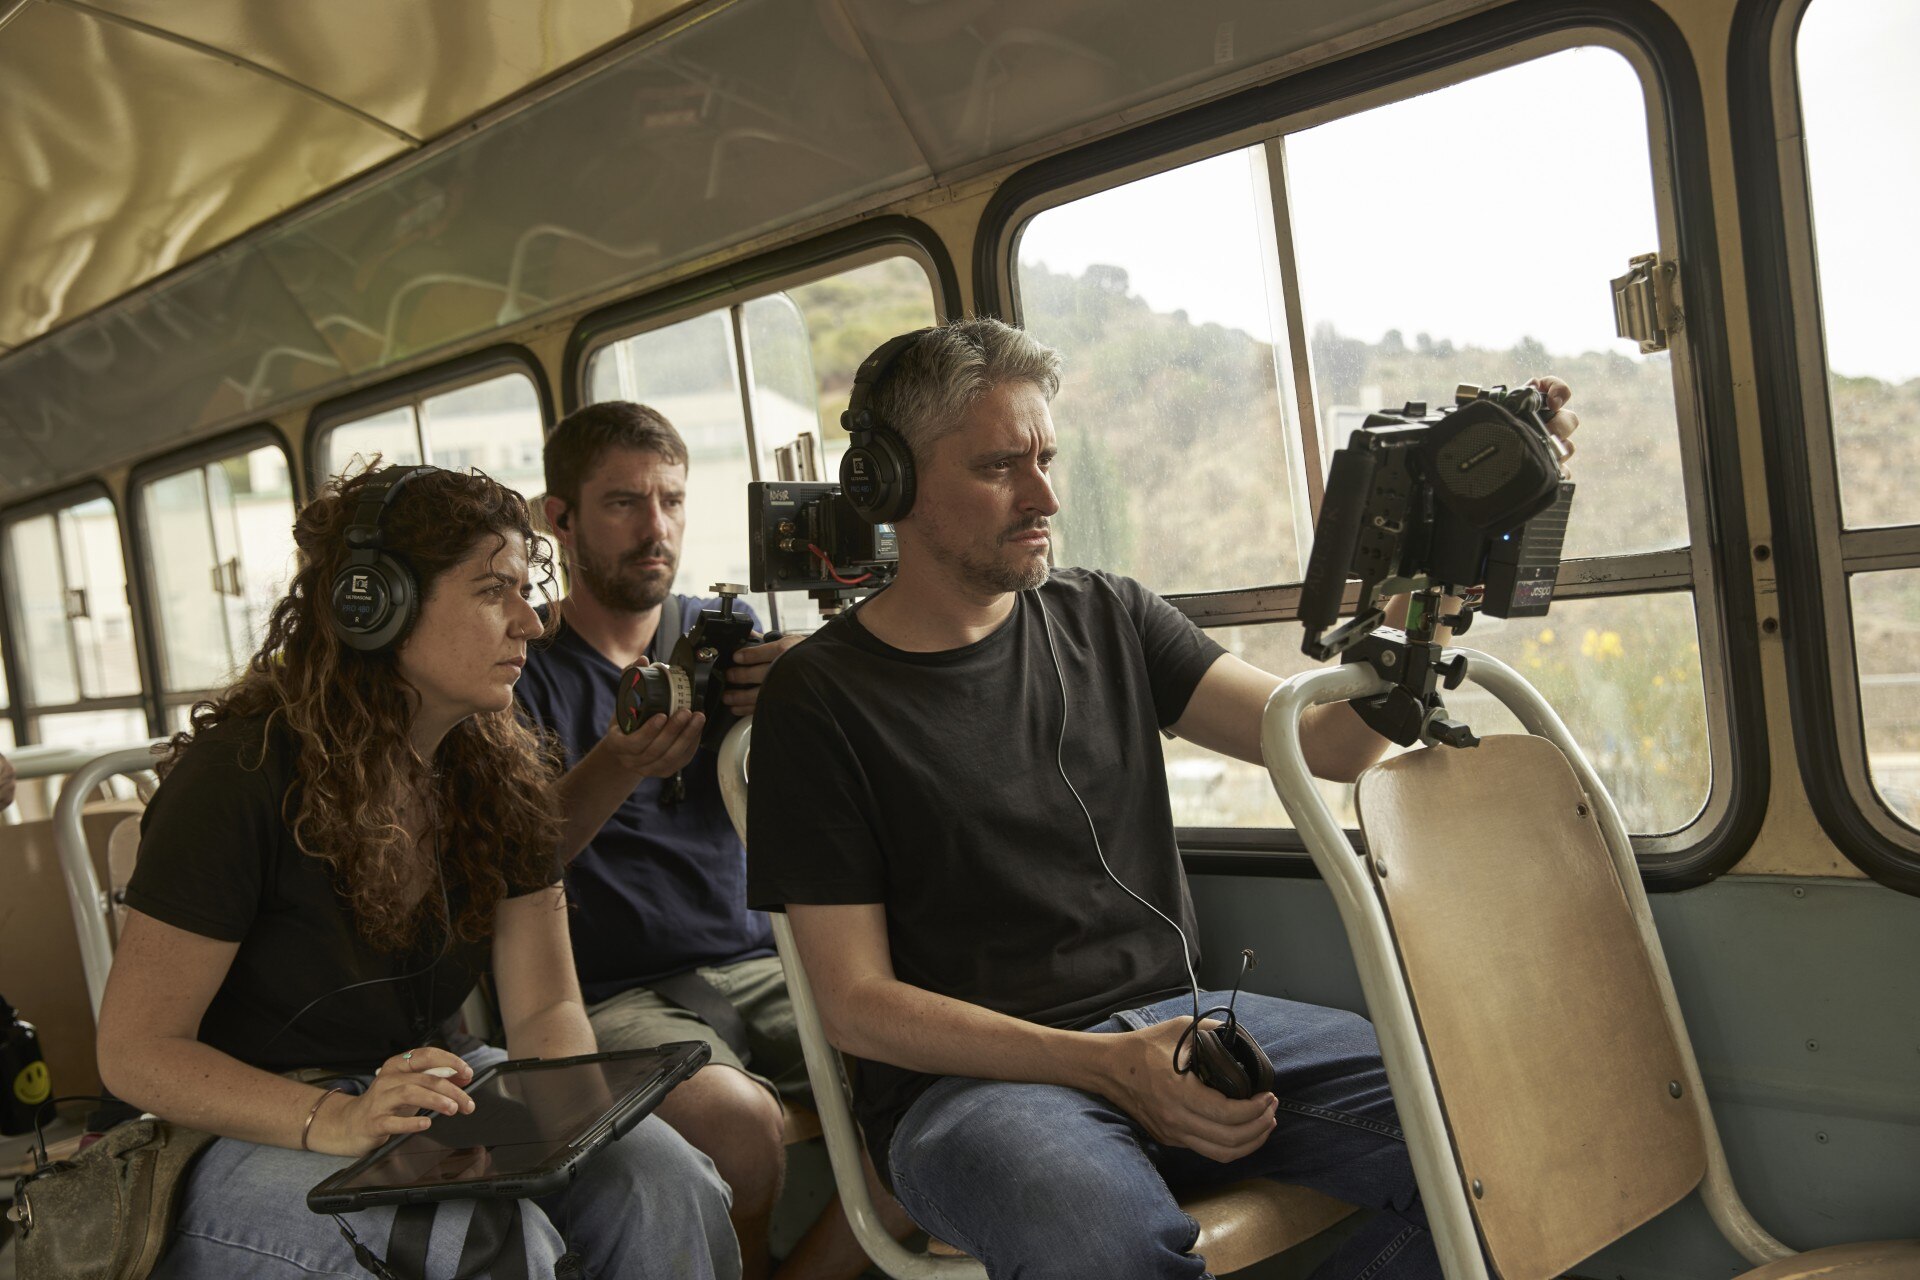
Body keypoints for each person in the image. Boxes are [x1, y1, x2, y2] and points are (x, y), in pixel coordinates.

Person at [746, 318, 1578, 1280]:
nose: (1045, 495)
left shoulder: (1109, 616)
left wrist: (1418, 605)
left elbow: (1324, 743)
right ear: (889, 485)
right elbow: (856, 1006)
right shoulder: (820, 698)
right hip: (977, 1089)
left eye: (1047, 457)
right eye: (999, 467)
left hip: (1178, 1026)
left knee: (1496, 1136)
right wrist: (1104, 1065)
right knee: (1104, 1249)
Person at [95, 464, 740, 1280]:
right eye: (490, 591)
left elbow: (544, 1008)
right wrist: (334, 1117)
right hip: (235, 1129)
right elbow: (136, 1053)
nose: (530, 625)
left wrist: (568, 1130)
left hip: (417, 1086)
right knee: (487, 1246)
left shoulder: (491, 769)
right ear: (376, 607)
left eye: (525, 589)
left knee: (663, 1183)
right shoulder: (241, 774)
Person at [519, 401, 909, 1280]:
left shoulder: (733, 645)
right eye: (622, 503)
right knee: (737, 1122)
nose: (654, 528)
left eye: (672, 501)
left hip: (770, 957)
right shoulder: (522, 668)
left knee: (942, 1085)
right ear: (560, 520)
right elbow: (509, 863)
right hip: (610, 989)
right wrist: (618, 765)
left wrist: (816, 691)